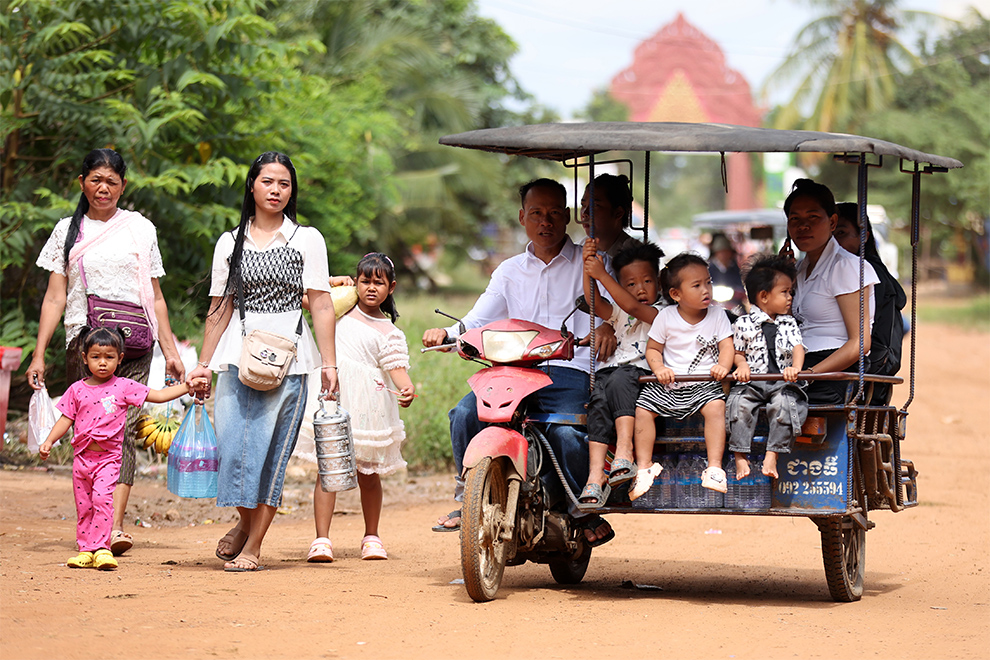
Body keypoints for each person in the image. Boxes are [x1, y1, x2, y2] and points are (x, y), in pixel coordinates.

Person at [422, 178, 613, 547]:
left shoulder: (590, 264)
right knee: (464, 414)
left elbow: (613, 311)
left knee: (566, 433)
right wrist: (447, 334)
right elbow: (476, 320)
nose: (546, 221)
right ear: (523, 217)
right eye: (538, 213)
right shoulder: (508, 270)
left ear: (568, 217)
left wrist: (607, 326)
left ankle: (581, 508)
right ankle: (468, 498)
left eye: (555, 213)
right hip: (511, 370)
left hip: (568, 371)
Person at [185, 151, 339, 572]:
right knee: (233, 451)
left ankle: (253, 545)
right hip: (238, 357)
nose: (276, 190)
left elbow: (322, 305)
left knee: (272, 455)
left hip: (292, 361)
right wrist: (203, 363)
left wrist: (330, 364)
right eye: (268, 181)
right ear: (252, 185)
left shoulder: (307, 238)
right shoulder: (229, 241)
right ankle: (243, 523)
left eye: (284, 184)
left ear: (292, 191)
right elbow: (220, 308)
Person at [28, 148, 186, 557]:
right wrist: (39, 354)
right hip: (86, 345)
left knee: (122, 431)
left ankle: (113, 527)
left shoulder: (140, 228)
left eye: (111, 182)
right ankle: (92, 520)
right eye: (96, 180)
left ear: (123, 186)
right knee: (88, 434)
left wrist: (169, 350)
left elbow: (156, 296)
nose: (103, 188)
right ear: (82, 182)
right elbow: (54, 297)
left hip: (133, 345)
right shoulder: (68, 231)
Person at [38, 328, 205, 570]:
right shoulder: (76, 389)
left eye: (109, 357)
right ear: (84, 358)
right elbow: (65, 419)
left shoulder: (125, 386)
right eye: (96, 357)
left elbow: (157, 395)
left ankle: (103, 548)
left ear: (120, 358)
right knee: (84, 505)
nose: (102, 363)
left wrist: (187, 387)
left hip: (109, 459)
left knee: (102, 499)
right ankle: (86, 549)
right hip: (82, 459)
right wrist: (49, 441)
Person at [308, 253, 415, 563]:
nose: (371, 288)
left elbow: (398, 372)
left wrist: (407, 389)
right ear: (356, 282)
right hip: (335, 398)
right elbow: (307, 298)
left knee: (368, 473)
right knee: (329, 466)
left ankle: (371, 536)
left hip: (370, 408)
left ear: (391, 287)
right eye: (365, 281)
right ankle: (321, 539)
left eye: (378, 282)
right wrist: (333, 282)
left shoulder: (390, 332)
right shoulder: (340, 308)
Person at [634, 253, 734, 498]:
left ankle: (714, 467)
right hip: (670, 384)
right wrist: (659, 369)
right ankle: (644, 467)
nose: (706, 290)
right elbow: (653, 349)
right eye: (697, 285)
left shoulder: (718, 315)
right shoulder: (666, 317)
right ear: (675, 294)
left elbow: (727, 347)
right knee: (643, 409)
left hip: (705, 384)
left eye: (708, 282)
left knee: (716, 408)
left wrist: (723, 366)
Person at [577, 241, 666, 510]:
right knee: (598, 403)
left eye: (647, 281)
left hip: (641, 378)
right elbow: (594, 301)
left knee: (619, 379)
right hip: (612, 377)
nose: (640, 289)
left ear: (659, 284)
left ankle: (625, 452)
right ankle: (595, 474)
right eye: (630, 284)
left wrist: (603, 275)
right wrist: (588, 266)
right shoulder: (617, 314)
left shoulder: (662, 313)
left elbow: (633, 308)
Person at [781, 180, 879, 405]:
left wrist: (810, 375)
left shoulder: (846, 267)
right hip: (796, 365)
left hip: (832, 370)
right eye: (795, 219)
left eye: (813, 217)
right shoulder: (799, 269)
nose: (803, 226)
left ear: (832, 222)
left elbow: (859, 344)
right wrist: (779, 275)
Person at [726, 255, 808, 479]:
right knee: (739, 405)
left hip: (782, 381)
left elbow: (798, 348)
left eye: (790, 291)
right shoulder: (742, 323)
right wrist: (741, 365)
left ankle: (772, 454)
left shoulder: (789, 322)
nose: (790, 297)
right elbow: (738, 352)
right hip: (752, 382)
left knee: (785, 406)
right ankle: (740, 456)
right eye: (785, 292)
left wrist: (796, 368)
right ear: (763, 296)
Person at [832, 203, 906, 405]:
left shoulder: (867, 273)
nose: (835, 242)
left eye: (842, 233)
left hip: (869, 369)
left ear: (863, 236)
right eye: (830, 234)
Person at [579, 173, 641, 259]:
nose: (585, 213)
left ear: (618, 213)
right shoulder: (579, 248)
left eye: (595, 205)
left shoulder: (636, 256)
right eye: (583, 205)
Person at [708, 232, 747, 316]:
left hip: (735, 306)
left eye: (726, 252)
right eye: (721, 252)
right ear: (716, 253)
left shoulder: (736, 269)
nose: (724, 255)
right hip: (714, 306)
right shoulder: (708, 269)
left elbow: (741, 286)